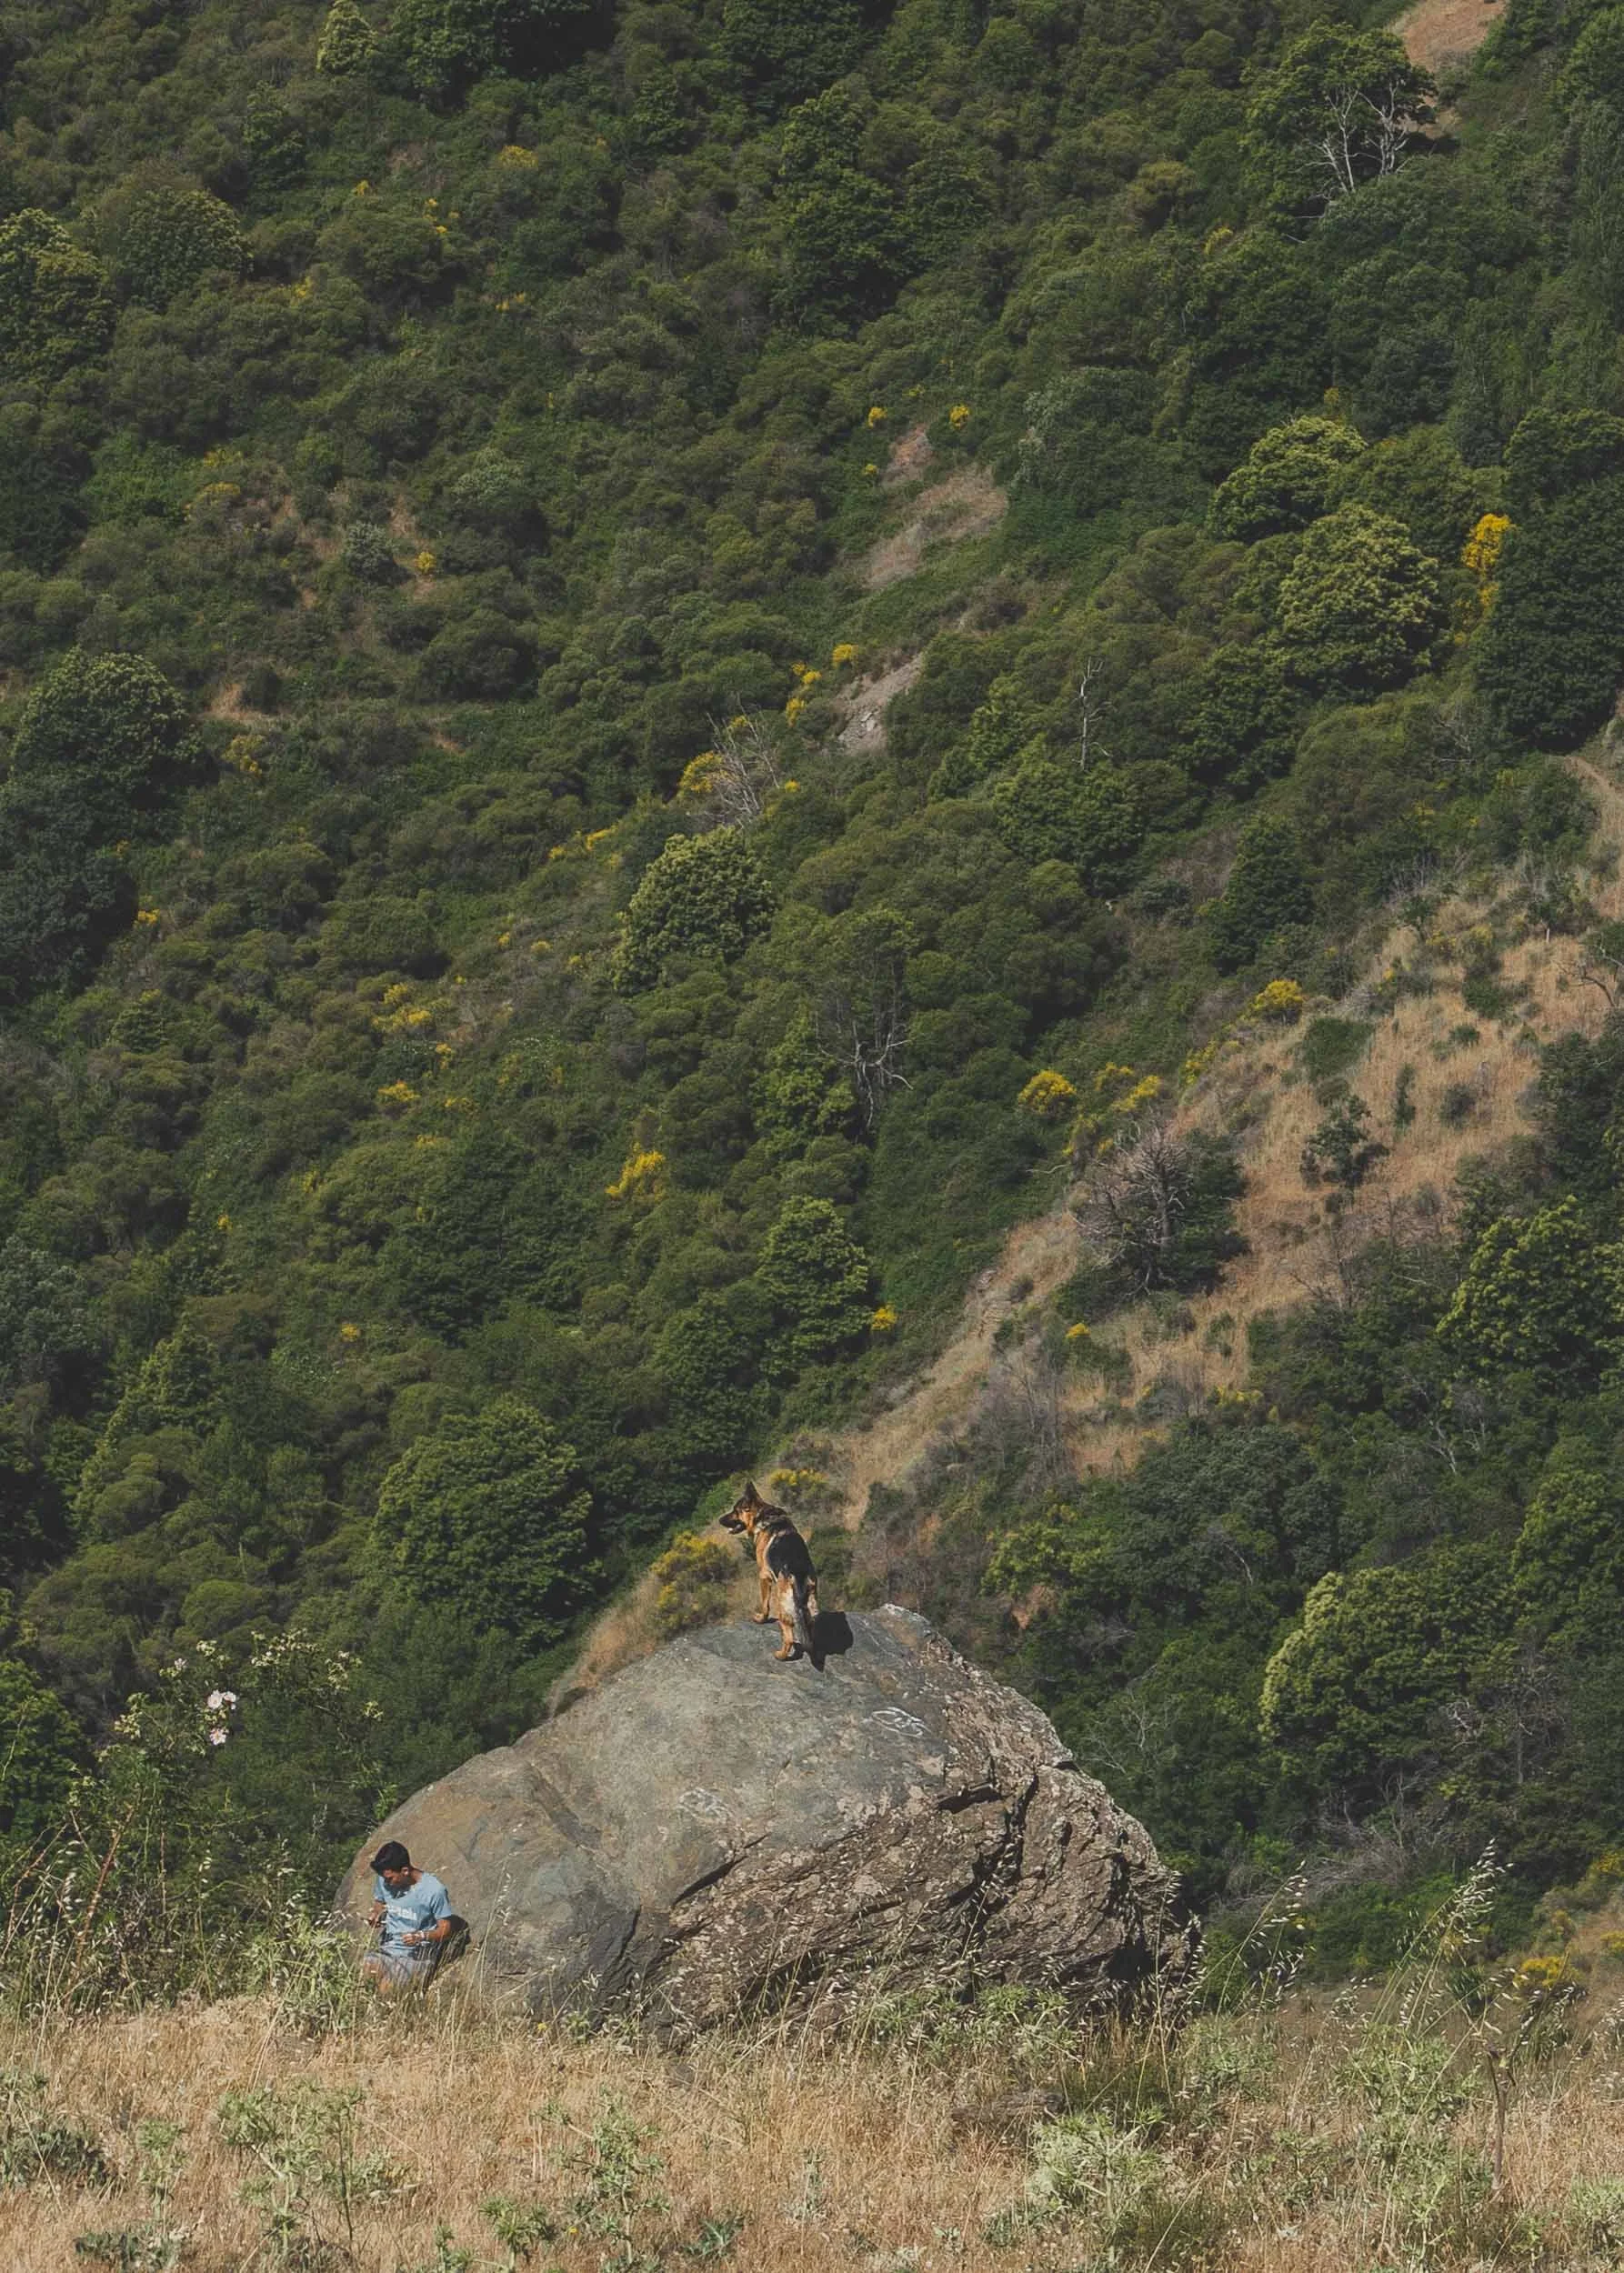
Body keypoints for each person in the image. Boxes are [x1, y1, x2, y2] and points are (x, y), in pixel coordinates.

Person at [361, 1839, 455, 1991]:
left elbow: (446, 1929)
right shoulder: (384, 1878)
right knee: (365, 1972)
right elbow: (380, 1901)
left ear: (405, 1871)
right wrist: (376, 1913)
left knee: (387, 1988)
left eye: (390, 1879)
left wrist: (421, 1936)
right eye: (385, 1879)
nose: (387, 1883)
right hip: (388, 1948)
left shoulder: (434, 1890)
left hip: (418, 1955)